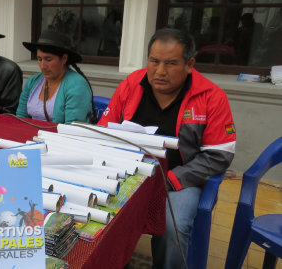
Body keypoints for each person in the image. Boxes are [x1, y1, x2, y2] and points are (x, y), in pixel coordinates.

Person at [98, 28, 236, 269]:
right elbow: (104, 131)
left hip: (177, 179)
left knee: (172, 227)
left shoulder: (211, 97)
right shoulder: (132, 84)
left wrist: (170, 179)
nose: (160, 71)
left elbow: (219, 155)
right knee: (91, 210)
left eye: (171, 63)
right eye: (154, 61)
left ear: (189, 64)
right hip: (128, 172)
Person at [17, 30, 94, 124]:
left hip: (59, 137)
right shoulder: (33, 81)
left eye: (48, 60)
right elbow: (20, 118)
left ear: (64, 59)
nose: (42, 66)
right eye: (39, 59)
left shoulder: (77, 86)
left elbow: (72, 128)